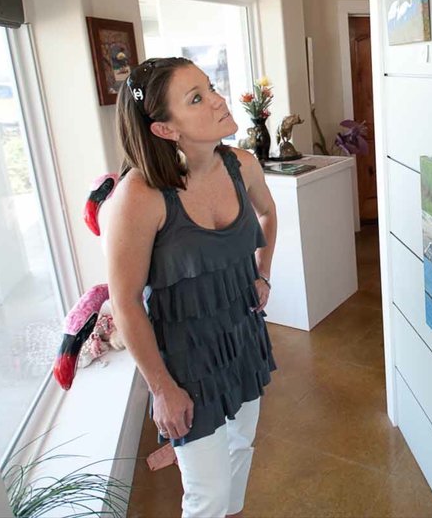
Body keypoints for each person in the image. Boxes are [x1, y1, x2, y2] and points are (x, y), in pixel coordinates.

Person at [103, 57, 277, 518]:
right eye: (196, 98)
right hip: (183, 362)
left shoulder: (241, 164)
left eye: (210, 87)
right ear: (165, 129)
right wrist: (161, 388)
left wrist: (263, 272)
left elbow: (267, 215)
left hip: (242, 336)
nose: (219, 100)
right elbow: (123, 303)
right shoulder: (138, 199)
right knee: (207, 494)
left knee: (243, 444)